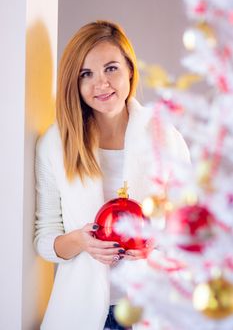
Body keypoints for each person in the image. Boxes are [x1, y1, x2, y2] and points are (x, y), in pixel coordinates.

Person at [34, 20, 190, 330]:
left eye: (111, 68)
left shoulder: (164, 136)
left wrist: (152, 247)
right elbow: (44, 237)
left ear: (130, 69)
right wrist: (80, 241)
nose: (101, 84)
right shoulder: (56, 143)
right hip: (81, 312)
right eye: (86, 74)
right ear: (74, 83)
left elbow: (186, 229)